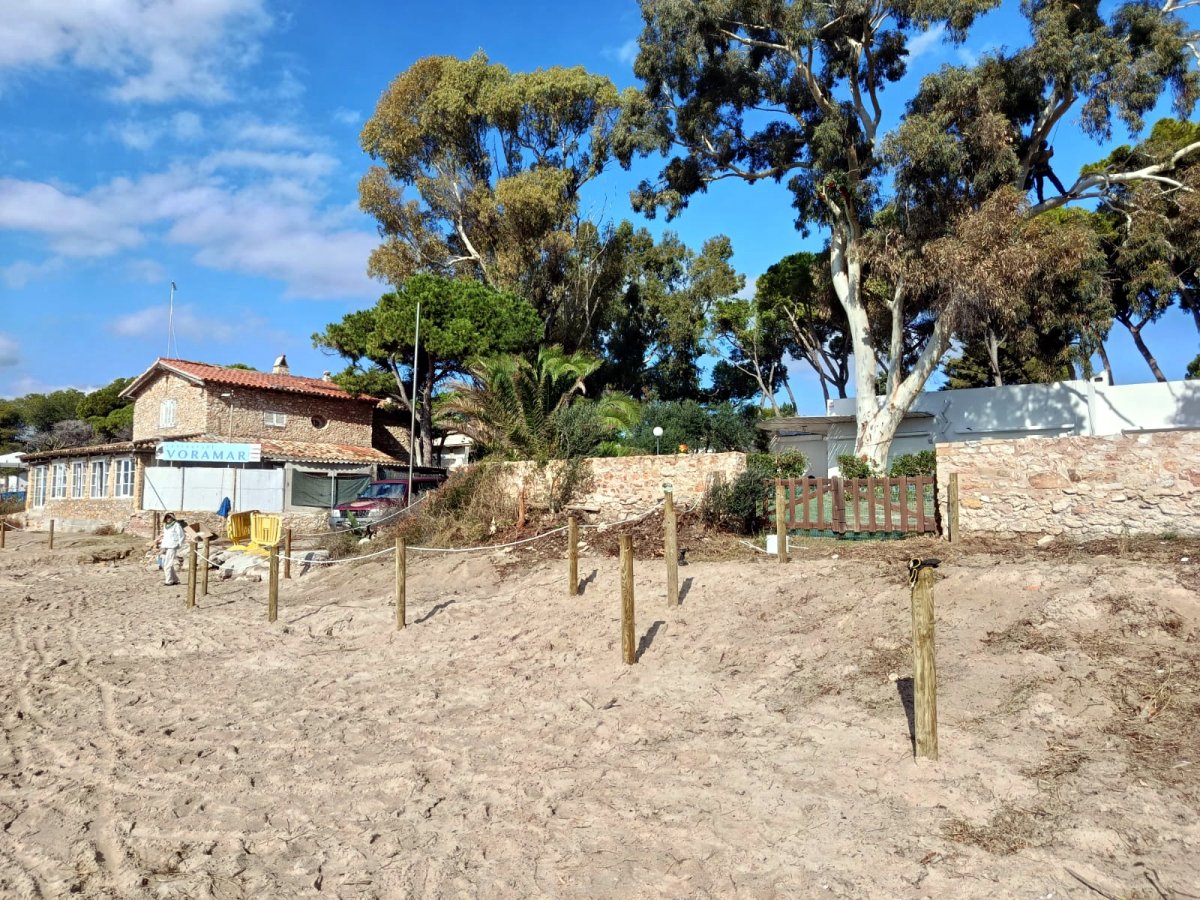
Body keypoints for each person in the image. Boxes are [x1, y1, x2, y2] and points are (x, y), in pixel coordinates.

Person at [1025, 139, 1067, 203]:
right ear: (1045, 146)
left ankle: (1041, 200)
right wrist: (1051, 148)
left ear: (1039, 146)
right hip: (1046, 170)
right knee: (1055, 180)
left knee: (1040, 185)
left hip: (1037, 172)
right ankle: (1063, 192)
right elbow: (1052, 153)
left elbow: (1030, 165)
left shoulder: (1034, 155)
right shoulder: (1047, 153)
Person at [157, 513, 186, 586]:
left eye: (170, 517)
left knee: (167, 564)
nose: (168, 519)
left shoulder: (176, 525)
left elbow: (181, 535)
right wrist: (162, 545)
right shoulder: (165, 525)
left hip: (172, 545)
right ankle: (175, 580)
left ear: (173, 518)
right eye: (167, 517)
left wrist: (179, 544)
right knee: (165, 563)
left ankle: (169, 581)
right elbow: (165, 536)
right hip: (165, 545)